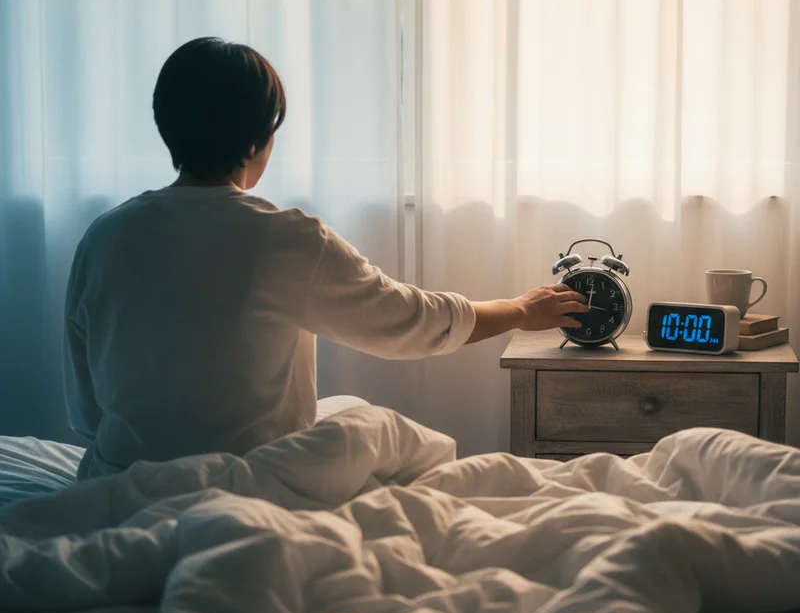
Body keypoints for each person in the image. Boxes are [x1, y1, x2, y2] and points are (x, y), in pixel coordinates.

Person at [64, 37, 588, 479]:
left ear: (166, 126)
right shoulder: (284, 238)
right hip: (245, 486)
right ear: (260, 139)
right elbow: (413, 321)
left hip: (119, 482)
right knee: (390, 438)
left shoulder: (104, 237)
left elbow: (88, 413)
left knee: (348, 413)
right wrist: (520, 309)